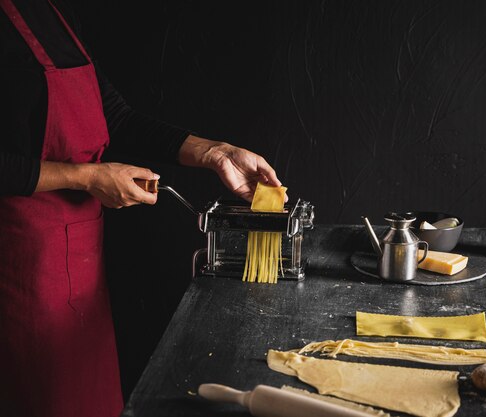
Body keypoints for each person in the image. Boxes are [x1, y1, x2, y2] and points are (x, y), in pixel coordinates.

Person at [0, 0, 283, 416]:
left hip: (78, 267)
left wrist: (217, 153)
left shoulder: (50, 13)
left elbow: (114, 114)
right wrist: (87, 177)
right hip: (19, 268)